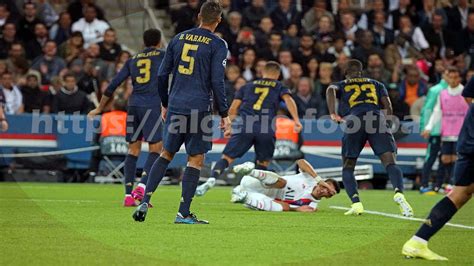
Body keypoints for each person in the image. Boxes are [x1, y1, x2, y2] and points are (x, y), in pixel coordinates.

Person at [132, 1, 231, 224]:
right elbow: (217, 80)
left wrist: (165, 103)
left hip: (176, 105)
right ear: (219, 20)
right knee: (195, 158)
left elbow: (161, 75)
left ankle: (145, 200)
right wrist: (224, 114)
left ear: (199, 16)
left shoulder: (178, 38)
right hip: (200, 108)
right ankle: (183, 213)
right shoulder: (218, 43)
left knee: (166, 153)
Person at [195, 61, 302, 196]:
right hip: (265, 127)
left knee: (227, 157)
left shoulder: (247, 86)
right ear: (278, 74)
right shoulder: (279, 86)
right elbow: (289, 100)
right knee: (262, 163)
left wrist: (228, 126)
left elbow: (234, 107)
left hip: (245, 125)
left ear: (263, 72)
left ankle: (212, 179)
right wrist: (296, 120)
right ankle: (250, 189)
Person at [326, 59, 414, 217]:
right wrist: (385, 123)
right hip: (376, 119)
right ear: (361, 71)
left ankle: (356, 203)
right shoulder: (377, 84)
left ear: (346, 73)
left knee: (348, 166)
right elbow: (388, 107)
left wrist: (333, 112)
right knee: (390, 162)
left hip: (354, 121)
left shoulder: (341, 84)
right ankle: (399, 192)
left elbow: (330, 90)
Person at [88, 29, 165, 207]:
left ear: (144, 42)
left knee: (133, 150)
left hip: (133, 106)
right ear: (159, 41)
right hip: (151, 105)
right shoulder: (162, 55)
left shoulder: (133, 59)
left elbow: (113, 85)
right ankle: (142, 186)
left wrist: (99, 107)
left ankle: (128, 196)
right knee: (156, 150)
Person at [401, 77, 474, 261]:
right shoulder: (440, 93)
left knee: (461, 194)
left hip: (468, 141)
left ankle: (418, 241)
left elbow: (467, 95)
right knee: (459, 193)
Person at [422, 67, 469, 193]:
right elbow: (437, 111)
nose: (453, 80)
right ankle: (442, 184)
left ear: (459, 78)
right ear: (447, 78)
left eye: (455, 77)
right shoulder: (442, 94)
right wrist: (428, 127)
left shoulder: (465, 92)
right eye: (451, 77)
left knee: (458, 158)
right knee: (445, 158)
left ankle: (454, 184)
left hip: (462, 132)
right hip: (447, 132)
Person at [230, 160, 338, 212]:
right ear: (322, 182)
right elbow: (300, 161)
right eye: (325, 186)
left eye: (328, 192)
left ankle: (243, 198)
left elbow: (286, 206)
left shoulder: (311, 205)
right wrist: (318, 178)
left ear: (328, 197)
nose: (324, 190)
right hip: (254, 181)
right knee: (283, 183)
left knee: (284, 207)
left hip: (258, 198)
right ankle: (249, 171)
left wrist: (295, 209)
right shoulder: (310, 178)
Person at [419, 69, 449, 193]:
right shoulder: (436, 90)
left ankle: (439, 185)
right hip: (436, 130)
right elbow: (427, 109)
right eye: (449, 75)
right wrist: (426, 127)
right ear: (444, 75)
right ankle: (424, 184)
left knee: (445, 158)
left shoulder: (454, 91)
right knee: (431, 156)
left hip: (448, 131)